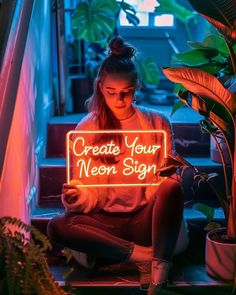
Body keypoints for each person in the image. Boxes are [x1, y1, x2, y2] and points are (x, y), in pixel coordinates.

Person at [47, 36, 189, 294]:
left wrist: (169, 179)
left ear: (136, 87)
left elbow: (167, 175)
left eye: (127, 92)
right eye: (112, 92)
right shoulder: (87, 128)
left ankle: (159, 270)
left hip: (144, 218)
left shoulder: (157, 124)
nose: (120, 99)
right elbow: (84, 183)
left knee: (171, 187)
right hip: (104, 222)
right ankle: (143, 256)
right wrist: (78, 195)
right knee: (57, 226)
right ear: (100, 87)